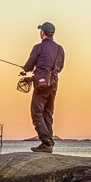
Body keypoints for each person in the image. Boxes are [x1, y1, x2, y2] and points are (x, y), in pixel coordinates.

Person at [20, 22, 64, 152]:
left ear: (42, 33)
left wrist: (25, 69)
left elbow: (29, 65)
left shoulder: (38, 47)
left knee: (36, 113)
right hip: (54, 84)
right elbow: (60, 67)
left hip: (41, 85)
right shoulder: (60, 49)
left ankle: (46, 142)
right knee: (48, 114)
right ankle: (48, 144)